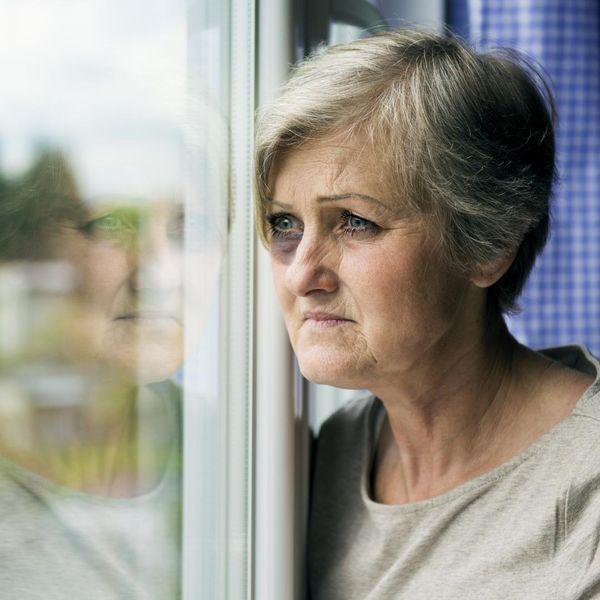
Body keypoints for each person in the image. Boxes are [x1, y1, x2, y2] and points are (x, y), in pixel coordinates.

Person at [254, 29, 600, 599]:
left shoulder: (585, 487)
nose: (300, 275)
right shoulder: (326, 455)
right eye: (284, 224)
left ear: (487, 244)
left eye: (355, 222)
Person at [0, 149, 183, 598]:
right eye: (108, 225)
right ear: (23, 250)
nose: (158, 274)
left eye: (185, 227)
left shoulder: (252, 451)